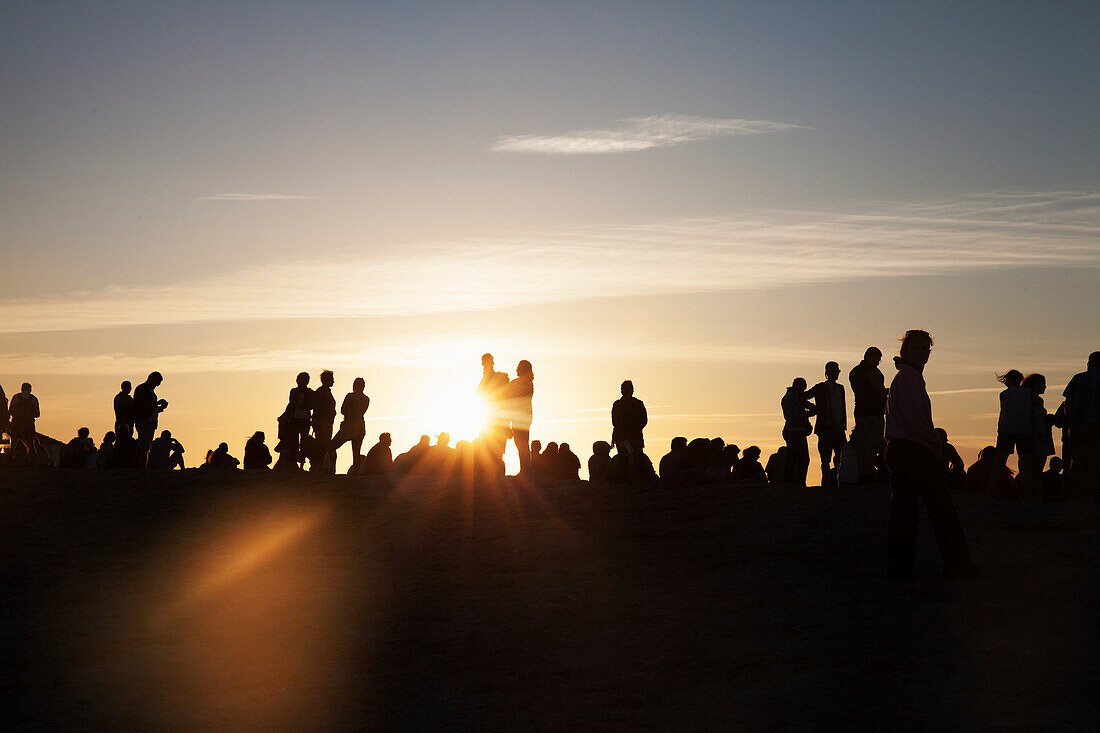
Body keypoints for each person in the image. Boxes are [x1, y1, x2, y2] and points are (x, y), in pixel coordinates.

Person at [885, 330, 972, 580]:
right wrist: (935, 443)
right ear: (906, 351)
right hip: (912, 450)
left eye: (925, 349)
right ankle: (957, 565)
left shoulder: (906, 377)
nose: (921, 353)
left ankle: (900, 570)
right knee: (939, 508)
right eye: (916, 348)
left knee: (905, 511)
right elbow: (916, 419)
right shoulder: (909, 378)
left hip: (903, 449)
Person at [1063, 351, 1100, 502]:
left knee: (1076, 462)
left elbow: (1068, 402)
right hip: (1097, 429)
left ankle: (1075, 494)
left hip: (1077, 427)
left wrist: (1071, 418)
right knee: (1095, 462)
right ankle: (1091, 495)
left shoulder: (1078, 378)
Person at [807, 362, 847, 488]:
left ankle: (838, 481)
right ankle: (827, 483)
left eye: (837, 371)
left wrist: (843, 424)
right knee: (825, 457)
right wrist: (814, 408)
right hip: (826, 427)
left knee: (840, 455)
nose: (835, 374)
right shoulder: (820, 387)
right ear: (827, 372)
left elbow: (842, 407)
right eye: (833, 371)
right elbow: (804, 397)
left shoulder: (840, 388)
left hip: (838, 426)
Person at [849, 347, 886, 481]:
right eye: (878, 359)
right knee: (876, 443)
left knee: (863, 443)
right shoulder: (873, 372)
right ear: (873, 357)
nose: (878, 362)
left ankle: (864, 473)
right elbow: (879, 391)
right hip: (874, 411)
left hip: (860, 411)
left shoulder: (854, 372)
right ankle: (875, 473)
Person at [1017, 373, 1055, 502]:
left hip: (1037, 437)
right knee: (1031, 470)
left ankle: (1033, 497)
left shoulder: (1037, 400)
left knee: (1033, 471)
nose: (1045, 387)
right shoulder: (1030, 399)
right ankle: (1030, 497)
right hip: (1034, 437)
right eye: (1042, 384)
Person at [329, 377, 370, 473]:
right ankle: (355, 473)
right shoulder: (366, 399)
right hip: (360, 427)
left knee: (331, 446)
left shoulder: (350, 396)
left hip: (349, 427)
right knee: (356, 452)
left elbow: (343, 410)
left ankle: (332, 469)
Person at [477, 353, 511, 471]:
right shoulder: (487, 377)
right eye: (484, 362)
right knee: (490, 449)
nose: (484, 364)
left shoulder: (494, 378)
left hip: (496, 420)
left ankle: (495, 473)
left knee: (495, 450)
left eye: (486, 362)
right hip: (489, 419)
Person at [611, 380, 648, 483]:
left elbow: (615, 422)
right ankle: (633, 480)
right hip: (628, 438)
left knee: (632, 459)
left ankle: (633, 480)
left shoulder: (621, 404)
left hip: (627, 437)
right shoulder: (634, 404)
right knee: (631, 459)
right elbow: (643, 421)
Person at [781, 378, 815, 487]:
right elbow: (798, 413)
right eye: (803, 387)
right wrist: (810, 413)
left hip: (793, 430)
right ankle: (797, 481)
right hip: (795, 431)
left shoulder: (792, 396)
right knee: (802, 458)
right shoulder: (793, 397)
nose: (804, 390)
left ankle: (791, 480)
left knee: (794, 457)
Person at [275, 372, 313, 471]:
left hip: (304, 420)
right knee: (294, 442)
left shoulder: (309, 392)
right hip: (295, 420)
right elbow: (294, 403)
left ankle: (301, 465)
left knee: (303, 443)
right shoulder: (294, 391)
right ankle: (294, 463)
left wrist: (301, 406)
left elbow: (309, 405)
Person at [507, 360, 535, 475]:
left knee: (520, 443)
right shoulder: (529, 383)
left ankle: (525, 470)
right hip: (526, 417)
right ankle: (525, 469)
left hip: (518, 417)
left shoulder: (517, 384)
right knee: (523, 443)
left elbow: (512, 400)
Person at [133, 372, 168, 456]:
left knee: (147, 446)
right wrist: (156, 404)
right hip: (144, 421)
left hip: (150, 422)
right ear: (152, 379)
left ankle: (144, 467)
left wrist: (159, 408)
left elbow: (150, 407)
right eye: (157, 382)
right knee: (144, 446)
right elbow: (142, 405)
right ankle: (141, 467)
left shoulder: (150, 390)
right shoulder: (142, 389)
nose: (158, 385)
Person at [9, 383, 42, 467]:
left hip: (17, 423)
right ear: (30, 389)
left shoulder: (16, 398)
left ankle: (10, 461)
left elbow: (11, 411)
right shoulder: (33, 399)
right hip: (28, 424)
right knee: (31, 443)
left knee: (13, 443)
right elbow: (37, 414)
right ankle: (33, 462)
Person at [310, 370, 337, 473]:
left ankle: (322, 466)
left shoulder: (325, 392)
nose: (333, 382)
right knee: (323, 445)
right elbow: (317, 408)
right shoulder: (321, 392)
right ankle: (320, 466)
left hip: (326, 422)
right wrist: (316, 423)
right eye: (331, 379)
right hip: (322, 423)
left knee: (324, 445)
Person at [935, 428, 967, 492]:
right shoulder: (927, 447)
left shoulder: (948, 448)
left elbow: (959, 464)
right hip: (930, 475)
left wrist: (953, 471)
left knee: (961, 474)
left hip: (945, 474)